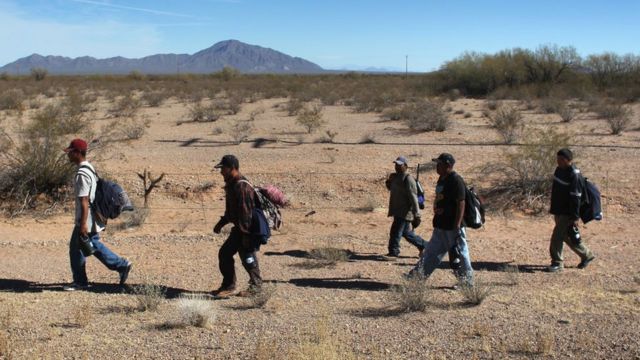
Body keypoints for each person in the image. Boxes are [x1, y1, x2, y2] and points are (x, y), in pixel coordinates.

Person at [64, 138, 132, 291]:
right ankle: (121, 265)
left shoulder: (82, 174)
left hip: (86, 218)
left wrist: (82, 225)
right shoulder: (89, 168)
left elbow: (84, 201)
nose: (68, 155)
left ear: (77, 153)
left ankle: (81, 282)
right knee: (93, 244)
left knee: (76, 248)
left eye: (70, 152)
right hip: (94, 216)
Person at [408, 153, 473, 285]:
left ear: (448, 165)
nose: (437, 166)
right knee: (431, 252)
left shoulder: (456, 180)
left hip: (453, 226)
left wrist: (457, 225)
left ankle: (467, 282)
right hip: (440, 224)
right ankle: (417, 276)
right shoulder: (442, 179)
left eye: (440, 164)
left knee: (460, 253)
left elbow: (461, 203)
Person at [212, 154, 262, 298]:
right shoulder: (232, 184)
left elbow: (245, 213)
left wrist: (246, 235)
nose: (221, 172)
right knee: (226, 254)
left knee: (247, 257)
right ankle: (229, 285)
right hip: (240, 228)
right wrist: (221, 223)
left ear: (232, 168)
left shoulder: (241, 186)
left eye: (224, 169)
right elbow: (232, 210)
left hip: (246, 229)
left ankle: (256, 287)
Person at [547, 148, 595, 272]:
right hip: (558, 210)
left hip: (567, 213)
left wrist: (574, 216)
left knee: (557, 237)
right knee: (567, 236)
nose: (558, 162)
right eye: (557, 159)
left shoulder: (575, 175)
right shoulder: (559, 170)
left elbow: (576, 198)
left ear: (568, 160)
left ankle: (557, 263)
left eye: (561, 160)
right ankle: (587, 255)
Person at [385, 156, 427, 257]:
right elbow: (392, 189)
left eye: (400, 165)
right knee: (406, 233)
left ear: (406, 166)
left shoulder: (408, 179)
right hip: (397, 210)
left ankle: (393, 252)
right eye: (396, 164)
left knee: (395, 232)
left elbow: (413, 198)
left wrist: (417, 215)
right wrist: (388, 183)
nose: (397, 167)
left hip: (405, 212)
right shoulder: (395, 177)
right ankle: (425, 245)